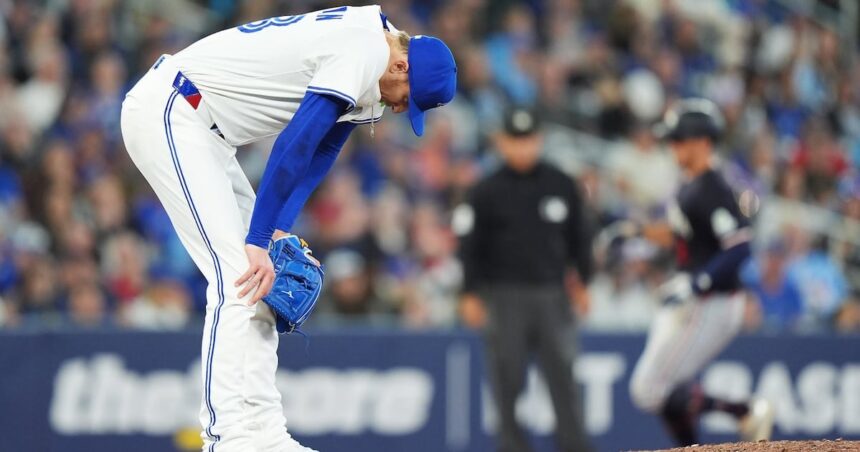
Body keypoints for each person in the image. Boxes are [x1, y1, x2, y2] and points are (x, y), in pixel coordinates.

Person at [120, 5, 456, 452]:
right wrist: (259, 237)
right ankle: (227, 437)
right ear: (401, 66)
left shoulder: (383, 52)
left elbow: (325, 148)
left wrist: (278, 228)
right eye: (406, 98)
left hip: (209, 133)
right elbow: (295, 143)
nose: (399, 108)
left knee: (264, 281)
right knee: (238, 277)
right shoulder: (363, 51)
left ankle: (264, 432)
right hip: (174, 108)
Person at [619, 99, 774, 446]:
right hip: (691, 295)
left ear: (703, 141)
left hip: (712, 299)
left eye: (679, 139)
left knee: (648, 389)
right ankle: (695, 445)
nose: (672, 145)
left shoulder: (713, 186)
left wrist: (697, 284)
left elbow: (740, 246)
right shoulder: (691, 182)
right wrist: (636, 232)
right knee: (662, 388)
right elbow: (680, 234)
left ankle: (744, 411)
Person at [454, 106, 593, 452]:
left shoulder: (561, 184)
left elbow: (581, 238)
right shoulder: (485, 190)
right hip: (504, 296)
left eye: (528, 139)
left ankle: (575, 447)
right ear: (502, 142)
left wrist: (584, 280)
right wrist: (469, 292)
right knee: (507, 380)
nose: (522, 148)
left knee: (563, 377)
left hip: (553, 294)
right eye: (515, 140)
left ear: (539, 140)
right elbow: (470, 246)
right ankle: (511, 447)